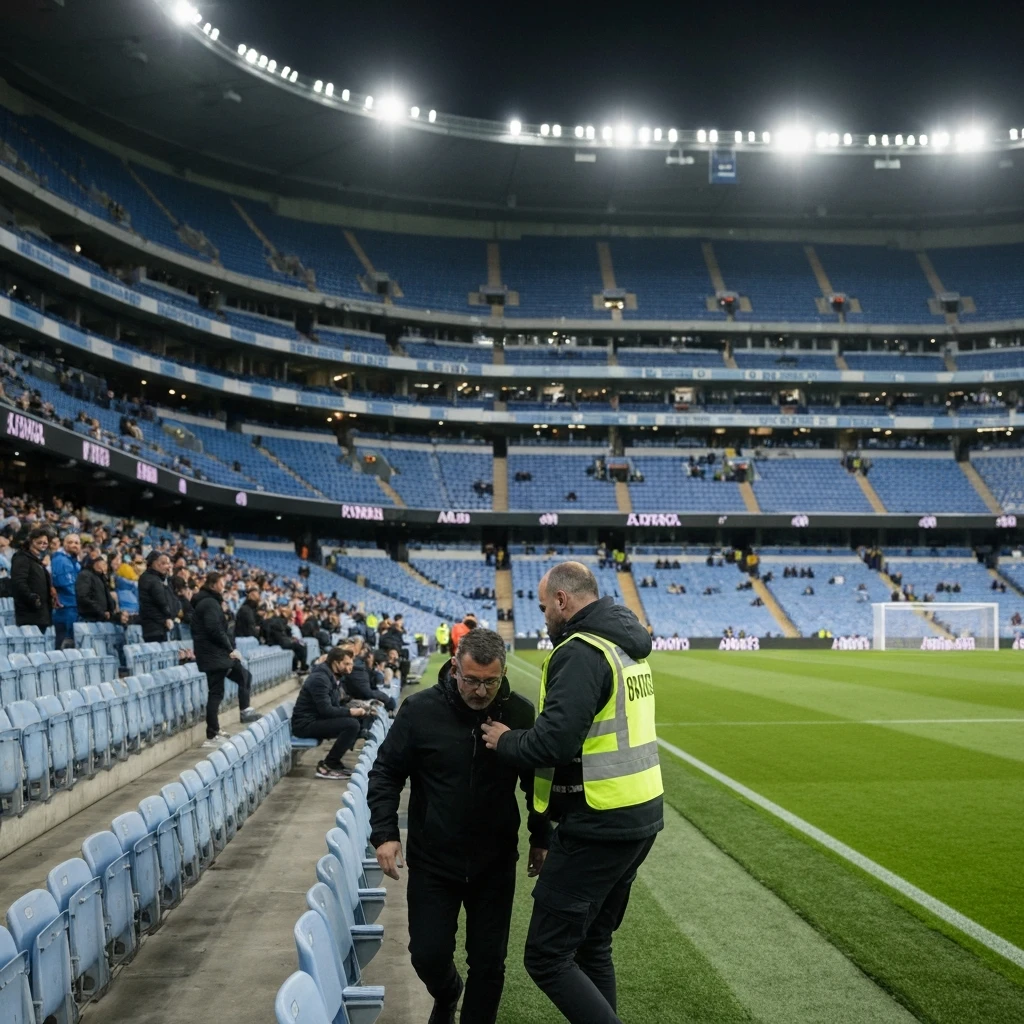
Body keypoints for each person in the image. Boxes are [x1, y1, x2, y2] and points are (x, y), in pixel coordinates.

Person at [481, 561, 663, 1024]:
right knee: (592, 944)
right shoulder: (626, 646)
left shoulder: (581, 651)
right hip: (639, 816)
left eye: (544, 607)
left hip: (599, 822)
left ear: (562, 600)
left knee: (546, 956)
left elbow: (554, 742)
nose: (543, 616)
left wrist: (505, 741)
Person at [368, 628, 549, 1024]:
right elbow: (385, 772)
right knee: (427, 955)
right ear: (454, 668)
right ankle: (448, 992)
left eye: (490, 682)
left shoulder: (518, 714)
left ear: (502, 673)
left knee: (489, 964)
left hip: (495, 861)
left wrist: (541, 836)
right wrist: (384, 833)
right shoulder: (419, 711)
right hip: (434, 860)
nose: (480, 691)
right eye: (471, 680)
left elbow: (536, 782)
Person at [191, 572, 259, 745]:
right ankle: (212, 733)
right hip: (214, 655)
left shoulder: (210, 602)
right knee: (216, 693)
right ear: (214, 584)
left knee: (244, 676)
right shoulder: (209, 603)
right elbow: (214, 629)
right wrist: (230, 648)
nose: (224, 586)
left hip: (216, 654)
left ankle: (243, 711)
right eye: (222, 582)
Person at [291, 647, 368, 780]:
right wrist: (351, 711)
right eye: (346, 664)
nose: (350, 668)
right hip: (305, 724)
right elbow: (326, 710)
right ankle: (328, 765)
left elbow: (335, 703)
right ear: (335, 663)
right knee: (351, 724)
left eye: (351, 664)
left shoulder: (331, 676)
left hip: (315, 719)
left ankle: (335, 762)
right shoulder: (320, 679)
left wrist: (355, 706)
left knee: (357, 721)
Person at [11, 525, 55, 629]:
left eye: (45, 543)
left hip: (41, 613)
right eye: (39, 542)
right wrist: (32, 598)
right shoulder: (22, 558)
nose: (43, 545)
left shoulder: (38, 561)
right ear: (31, 541)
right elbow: (19, 582)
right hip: (29, 613)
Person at [343, 635, 396, 711]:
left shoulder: (361, 665)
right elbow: (366, 693)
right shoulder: (357, 667)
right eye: (363, 648)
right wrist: (387, 699)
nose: (366, 651)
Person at [50, 532, 82, 646]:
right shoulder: (61, 560)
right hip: (65, 608)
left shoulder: (75, 562)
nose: (74, 545)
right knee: (65, 643)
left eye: (77, 543)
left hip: (74, 606)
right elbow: (67, 585)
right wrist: (82, 597)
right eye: (70, 542)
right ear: (64, 544)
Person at [138, 550, 177, 643]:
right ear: (154, 563)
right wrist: (165, 619)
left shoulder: (160, 579)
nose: (167, 567)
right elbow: (162, 603)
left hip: (160, 626)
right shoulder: (151, 579)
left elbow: (173, 600)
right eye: (163, 563)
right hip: (154, 628)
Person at [76, 553, 118, 623]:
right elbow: (83, 597)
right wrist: (101, 611)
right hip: (90, 619)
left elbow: (108, 598)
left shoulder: (101, 577)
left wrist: (110, 612)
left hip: (103, 618)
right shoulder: (85, 575)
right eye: (104, 563)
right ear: (96, 563)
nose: (106, 566)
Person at [264, 606, 308, 673]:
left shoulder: (281, 622)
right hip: (277, 642)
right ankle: (303, 667)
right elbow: (280, 637)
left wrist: (291, 639)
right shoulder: (278, 622)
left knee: (300, 645)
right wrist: (290, 640)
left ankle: (298, 667)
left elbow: (287, 633)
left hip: (282, 641)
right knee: (300, 646)